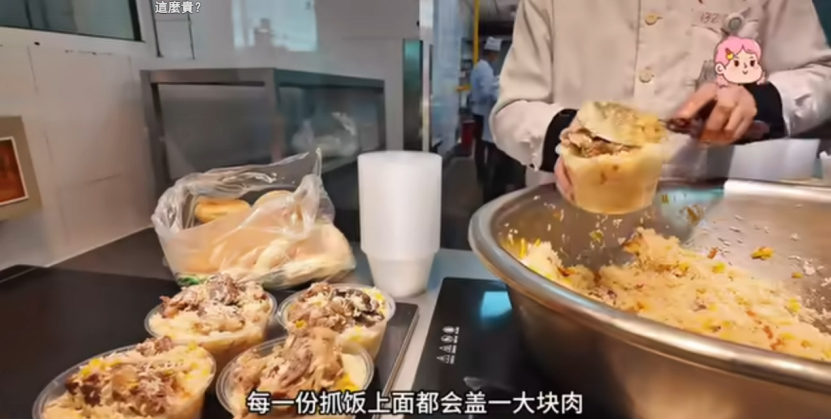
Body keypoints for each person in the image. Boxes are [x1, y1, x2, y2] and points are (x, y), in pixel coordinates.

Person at [490, 0, 831, 197]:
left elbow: (820, 74)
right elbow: (512, 109)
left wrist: (759, 101)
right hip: (569, 214)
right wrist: (568, 136)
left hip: (698, 227)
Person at [470, 37, 506, 201]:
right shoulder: (485, 69)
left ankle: (482, 174)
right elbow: (487, 93)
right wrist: (496, 86)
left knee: (481, 145)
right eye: (496, 54)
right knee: (484, 147)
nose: (496, 57)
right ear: (492, 53)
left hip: (479, 110)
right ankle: (483, 176)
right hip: (481, 111)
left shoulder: (480, 66)